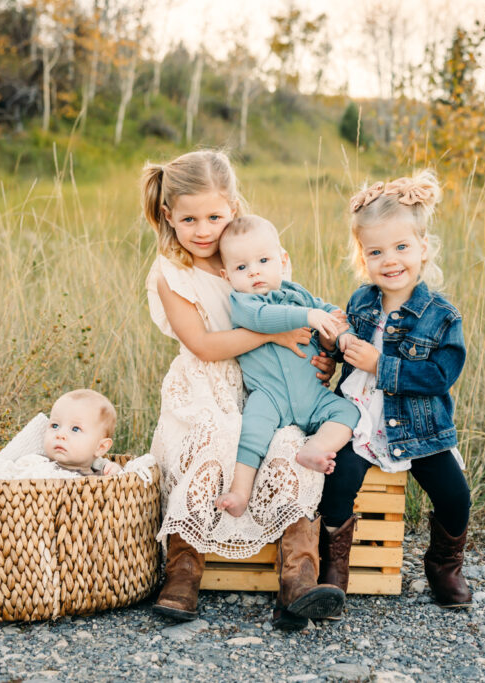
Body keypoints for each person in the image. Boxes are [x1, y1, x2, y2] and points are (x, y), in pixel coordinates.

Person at [142, 150, 343, 629]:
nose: (203, 228)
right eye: (189, 218)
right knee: (211, 439)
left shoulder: (254, 256)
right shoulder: (173, 274)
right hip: (206, 387)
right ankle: (183, 574)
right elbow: (205, 345)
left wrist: (318, 356)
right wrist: (274, 333)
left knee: (289, 446)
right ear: (169, 216)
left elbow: (299, 318)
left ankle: (298, 580)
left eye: (214, 215)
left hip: (267, 385)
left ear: (232, 206)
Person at [318, 170, 474, 612]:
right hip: (360, 420)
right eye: (376, 251)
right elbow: (344, 356)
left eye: (402, 247)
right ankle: (334, 570)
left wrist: (381, 366)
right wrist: (332, 352)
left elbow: (440, 376)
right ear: (362, 256)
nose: (390, 260)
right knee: (338, 480)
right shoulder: (360, 302)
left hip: (419, 427)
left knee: (454, 493)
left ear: (423, 248)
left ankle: (444, 566)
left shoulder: (442, 316)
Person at [213, 215, 359, 520]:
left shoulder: (299, 294)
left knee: (349, 413)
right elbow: (264, 318)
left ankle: (316, 448)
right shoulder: (244, 302)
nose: (254, 271)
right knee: (252, 431)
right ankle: (240, 493)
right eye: (241, 267)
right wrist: (308, 316)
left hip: (313, 394)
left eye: (263, 260)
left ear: (283, 260)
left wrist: (341, 334)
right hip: (270, 396)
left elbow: (329, 313)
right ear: (227, 276)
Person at [0, 390, 122, 480]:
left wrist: (113, 469)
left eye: (75, 429)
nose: (60, 435)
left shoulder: (100, 473)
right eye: (55, 426)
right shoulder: (36, 465)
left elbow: (120, 478)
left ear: (101, 447)